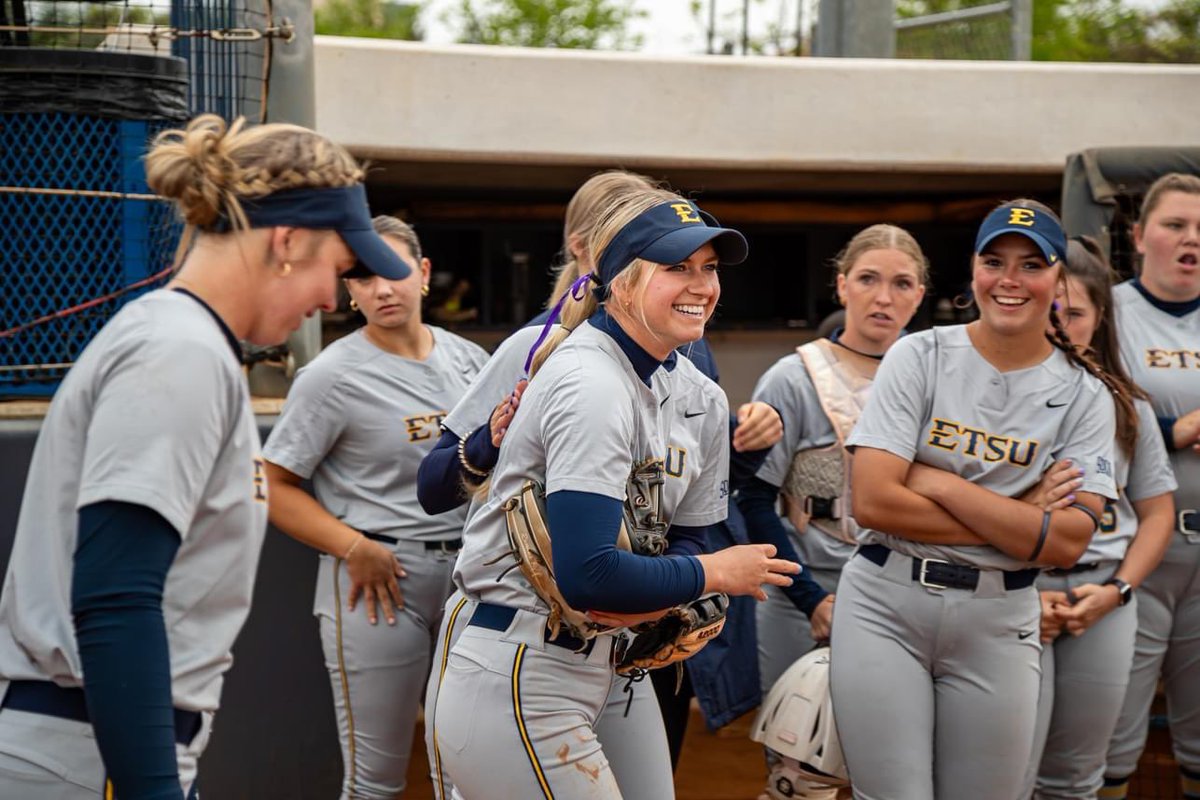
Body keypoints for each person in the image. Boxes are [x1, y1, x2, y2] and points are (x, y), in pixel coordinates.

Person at [0, 114, 410, 799]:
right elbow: (114, 597)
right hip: (83, 748)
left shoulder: (186, 341)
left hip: (99, 741)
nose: (330, 299)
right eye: (338, 270)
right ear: (286, 241)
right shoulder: (179, 350)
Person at [432, 188, 800, 799]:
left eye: (709, 268)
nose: (701, 284)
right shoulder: (587, 378)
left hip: (616, 662)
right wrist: (715, 573)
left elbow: (682, 537)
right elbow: (590, 577)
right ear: (622, 283)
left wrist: (661, 591)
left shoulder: (702, 396)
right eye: (677, 267)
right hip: (521, 657)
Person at [830, 200, 1127, 800]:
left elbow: (1068, 542)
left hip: (1000, 617)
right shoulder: (921, 355)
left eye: (1031, 264)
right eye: (994, 262)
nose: (1010, 280)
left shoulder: (1086, 395)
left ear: (1058, 280)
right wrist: (1022, 517)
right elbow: (875, 502)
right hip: (887, 602)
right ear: (973, 272)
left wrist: (936, 481)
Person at [262, 216, 488, 799]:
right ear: (349, 289)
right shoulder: (332, 375)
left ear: (424, 273)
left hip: (472, 578)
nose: (382, 288)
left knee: (468, 772)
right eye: (361, 277)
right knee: (374, 782)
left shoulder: (470, 360)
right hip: (381, 583)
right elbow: (272, 485)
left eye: (393, 271)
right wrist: (352, 547)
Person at [737, 224, 928, 800]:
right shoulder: (793, 378)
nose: (884, 297)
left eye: (902, 283)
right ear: (842, 285)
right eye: (869, 279)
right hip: (810, 592)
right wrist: (810, 600)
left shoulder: (936, 372)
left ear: (920, 294)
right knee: (799, 779)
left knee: (891, 769)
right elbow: (752, 500)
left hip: (901, 595)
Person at [1024, 236, 1176, 800]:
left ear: (1100, 319)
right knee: (1006, 771)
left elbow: (1157, 512)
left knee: (1078, 774)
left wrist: (1117, 589)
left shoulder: (1124, 403)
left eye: (1076, 313)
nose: (1061, 323)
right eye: (1052, 308)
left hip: (1103, 600)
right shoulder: (997, 394)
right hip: (1020, 596)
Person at [1104, 172, 1200, 800]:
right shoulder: (1108, 311)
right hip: (1135, 551)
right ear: (1139, 236)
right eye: (1175, 224)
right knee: (1110, 739)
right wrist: (1177, 427)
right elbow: (1078, 417)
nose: (1191, 239)